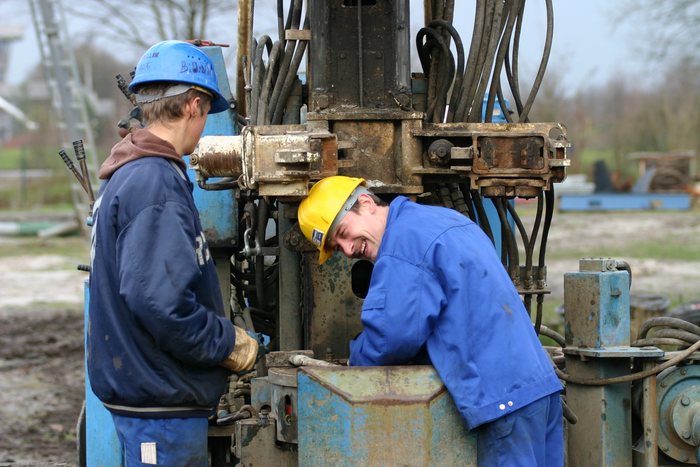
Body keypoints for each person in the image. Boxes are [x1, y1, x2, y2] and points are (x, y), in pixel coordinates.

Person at [297, 175, 564, 466]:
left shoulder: (403, 243)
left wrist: (353, 364)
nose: (348, 250)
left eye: (344, 233)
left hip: (502, 402)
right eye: (337, 246)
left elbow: (390, 338)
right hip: (538, 389)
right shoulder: (442, 220)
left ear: (365, 202)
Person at [88, 40, 259, 466]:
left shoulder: (133, 173)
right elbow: (160, 303)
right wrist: (227, 344)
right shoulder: (154, 183)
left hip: (153, 399)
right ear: (193, 106)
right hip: (160, 407)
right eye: (206, 114)